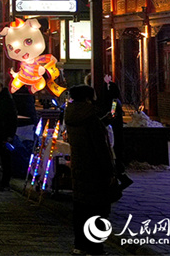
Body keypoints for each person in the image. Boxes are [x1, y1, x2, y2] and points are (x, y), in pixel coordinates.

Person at [64, 84, 114, 256]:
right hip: (95, 170)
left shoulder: (72, 115)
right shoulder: (90, 119)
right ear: (87, 98)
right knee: (97, 210)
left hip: (79, 166)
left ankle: (80, 245)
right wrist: (109, 171)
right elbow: (100, 148)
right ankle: (95, 248)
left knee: (80, 209)